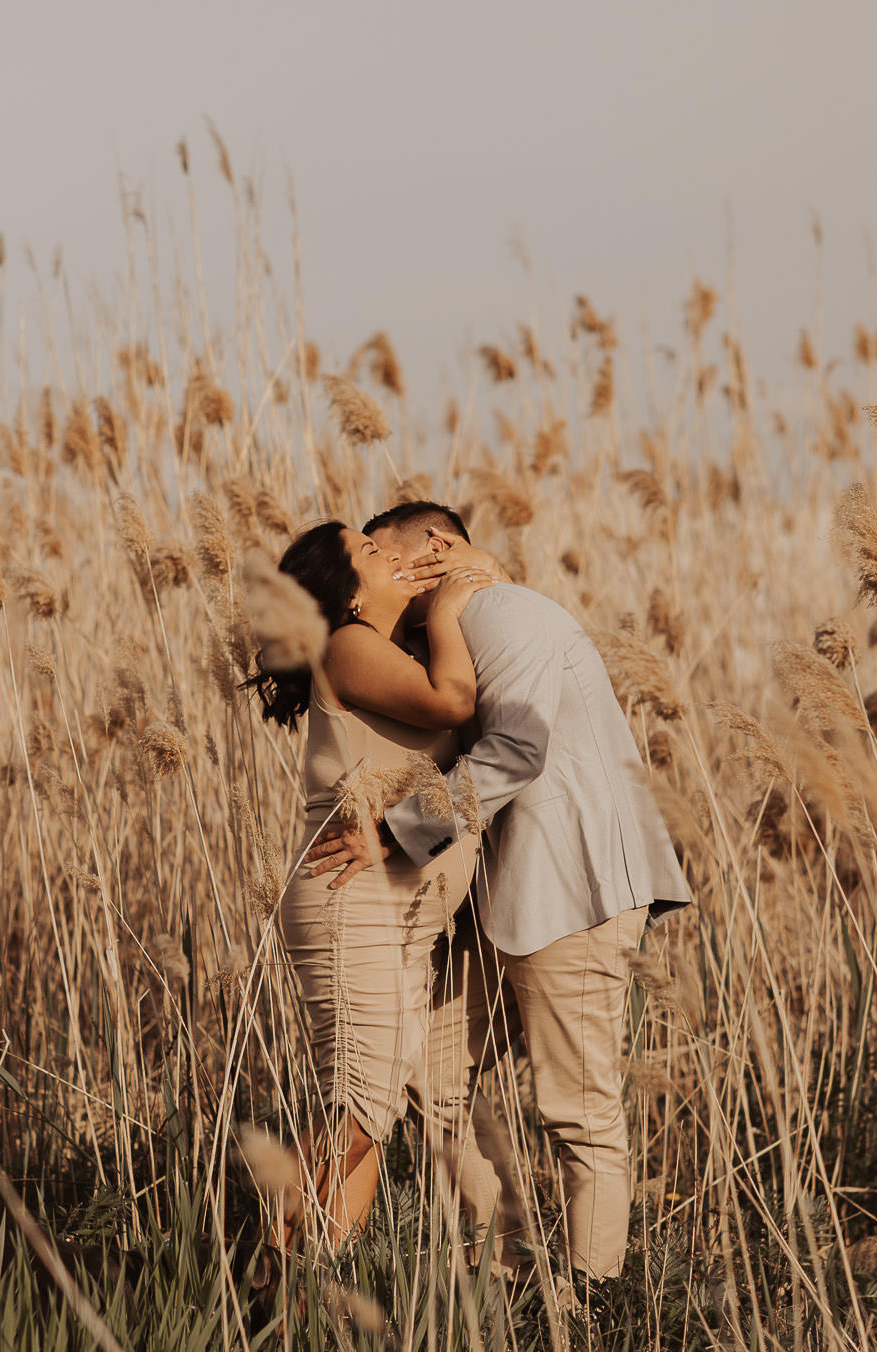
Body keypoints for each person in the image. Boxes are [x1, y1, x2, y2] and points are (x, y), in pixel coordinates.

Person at [307, 501, 692, 1285]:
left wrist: (394, 836)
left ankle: (590, 1302)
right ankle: (508, 1272)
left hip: (571, 884)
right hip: (505, 897)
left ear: (439, 548)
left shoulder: (509, 613)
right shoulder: (448, 629)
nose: (391, 572)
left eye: (390, 554)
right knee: (432, 1082)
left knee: (578, 1108)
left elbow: (516, 749)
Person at [244, 519, 503, 1255]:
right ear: (347, 594)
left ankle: (308, 1282)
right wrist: (452, 605)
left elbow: (469, 777)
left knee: (371, 1111)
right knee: (360, 1105)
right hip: (349, 898)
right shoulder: (349, 647)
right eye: (369, 552)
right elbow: (455, 700)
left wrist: (467, 573)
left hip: (395, 911)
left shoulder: (387, 650)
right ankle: (254, 1278)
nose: (392, 553)